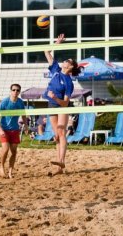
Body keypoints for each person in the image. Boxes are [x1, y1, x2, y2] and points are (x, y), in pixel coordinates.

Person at [43, 33, 81, 176]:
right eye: (65, 60)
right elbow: (46, 51)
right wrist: (57, 42)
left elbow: (65, 103)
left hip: (61, 106)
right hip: (51, 105)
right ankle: (59, 168)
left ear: (70, 67)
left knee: (61, 132)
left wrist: (55, 98)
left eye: (67, 61)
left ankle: (61, 160)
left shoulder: (69, 82)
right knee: (56, 136)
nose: (64, 61)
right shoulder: (55, 70)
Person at [0, 84, 28, 179]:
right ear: (10, 91)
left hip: (14, 130)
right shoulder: (5, 102)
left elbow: (23, 115)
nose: (15, 92)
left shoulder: (20, 102)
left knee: (14, 151)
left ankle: (10, 172)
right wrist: (0, 129)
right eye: (14, 90)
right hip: (4, 130)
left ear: (19, 92)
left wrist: (26, 126)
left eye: (17, 90)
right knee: (5, 149)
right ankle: (1, 167)